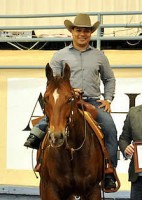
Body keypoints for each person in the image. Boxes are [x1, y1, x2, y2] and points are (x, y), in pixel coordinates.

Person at [24, 13, 118, 190]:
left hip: (92, 101)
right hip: (67, 101)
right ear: (72, 32)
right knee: (47, 124)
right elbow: (53, 82)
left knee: (110, 128)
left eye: (86, 31)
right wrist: (68, 91)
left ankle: (108, 171)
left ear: (91, 33)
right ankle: (41, 162)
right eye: (79, 30)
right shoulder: (59, 56)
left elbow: (109, 79)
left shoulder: (100, 56)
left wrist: (108, 99)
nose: (83, 34)